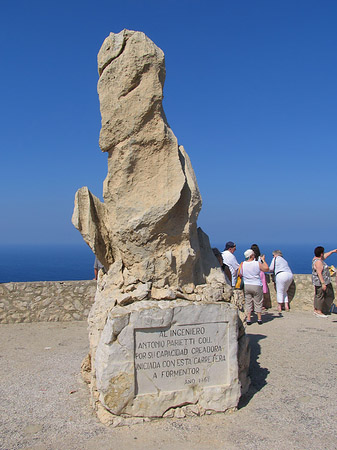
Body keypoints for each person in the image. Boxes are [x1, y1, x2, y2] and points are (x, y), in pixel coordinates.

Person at [240, 249, 269, 325]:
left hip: (247, 285)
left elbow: (239, 274)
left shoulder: (242, 264)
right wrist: (263, 260)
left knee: (248, 302)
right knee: (258, 302)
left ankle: (249, 319)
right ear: (251, 256)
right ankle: (259, 318)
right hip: (256, 284)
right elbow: (266, 268)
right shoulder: (257, 263)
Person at [312, 246, 337, 317]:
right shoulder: (319, 262)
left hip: (323, 282)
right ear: (321, 253)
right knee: (320, 296)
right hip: (321, 282)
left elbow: (325, 256)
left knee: (321, 295)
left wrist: (332, 251)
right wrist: (323, 283)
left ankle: (319, 310)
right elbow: (319, 273)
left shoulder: (316, 259)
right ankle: (319, 311)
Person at [251, 243, 271, 309]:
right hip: (261, 274)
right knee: (261, 291)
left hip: (253, 274)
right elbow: (265, 267)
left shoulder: (251, 258)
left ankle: (253, 305)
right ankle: (260, 305)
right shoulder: (260, 258)